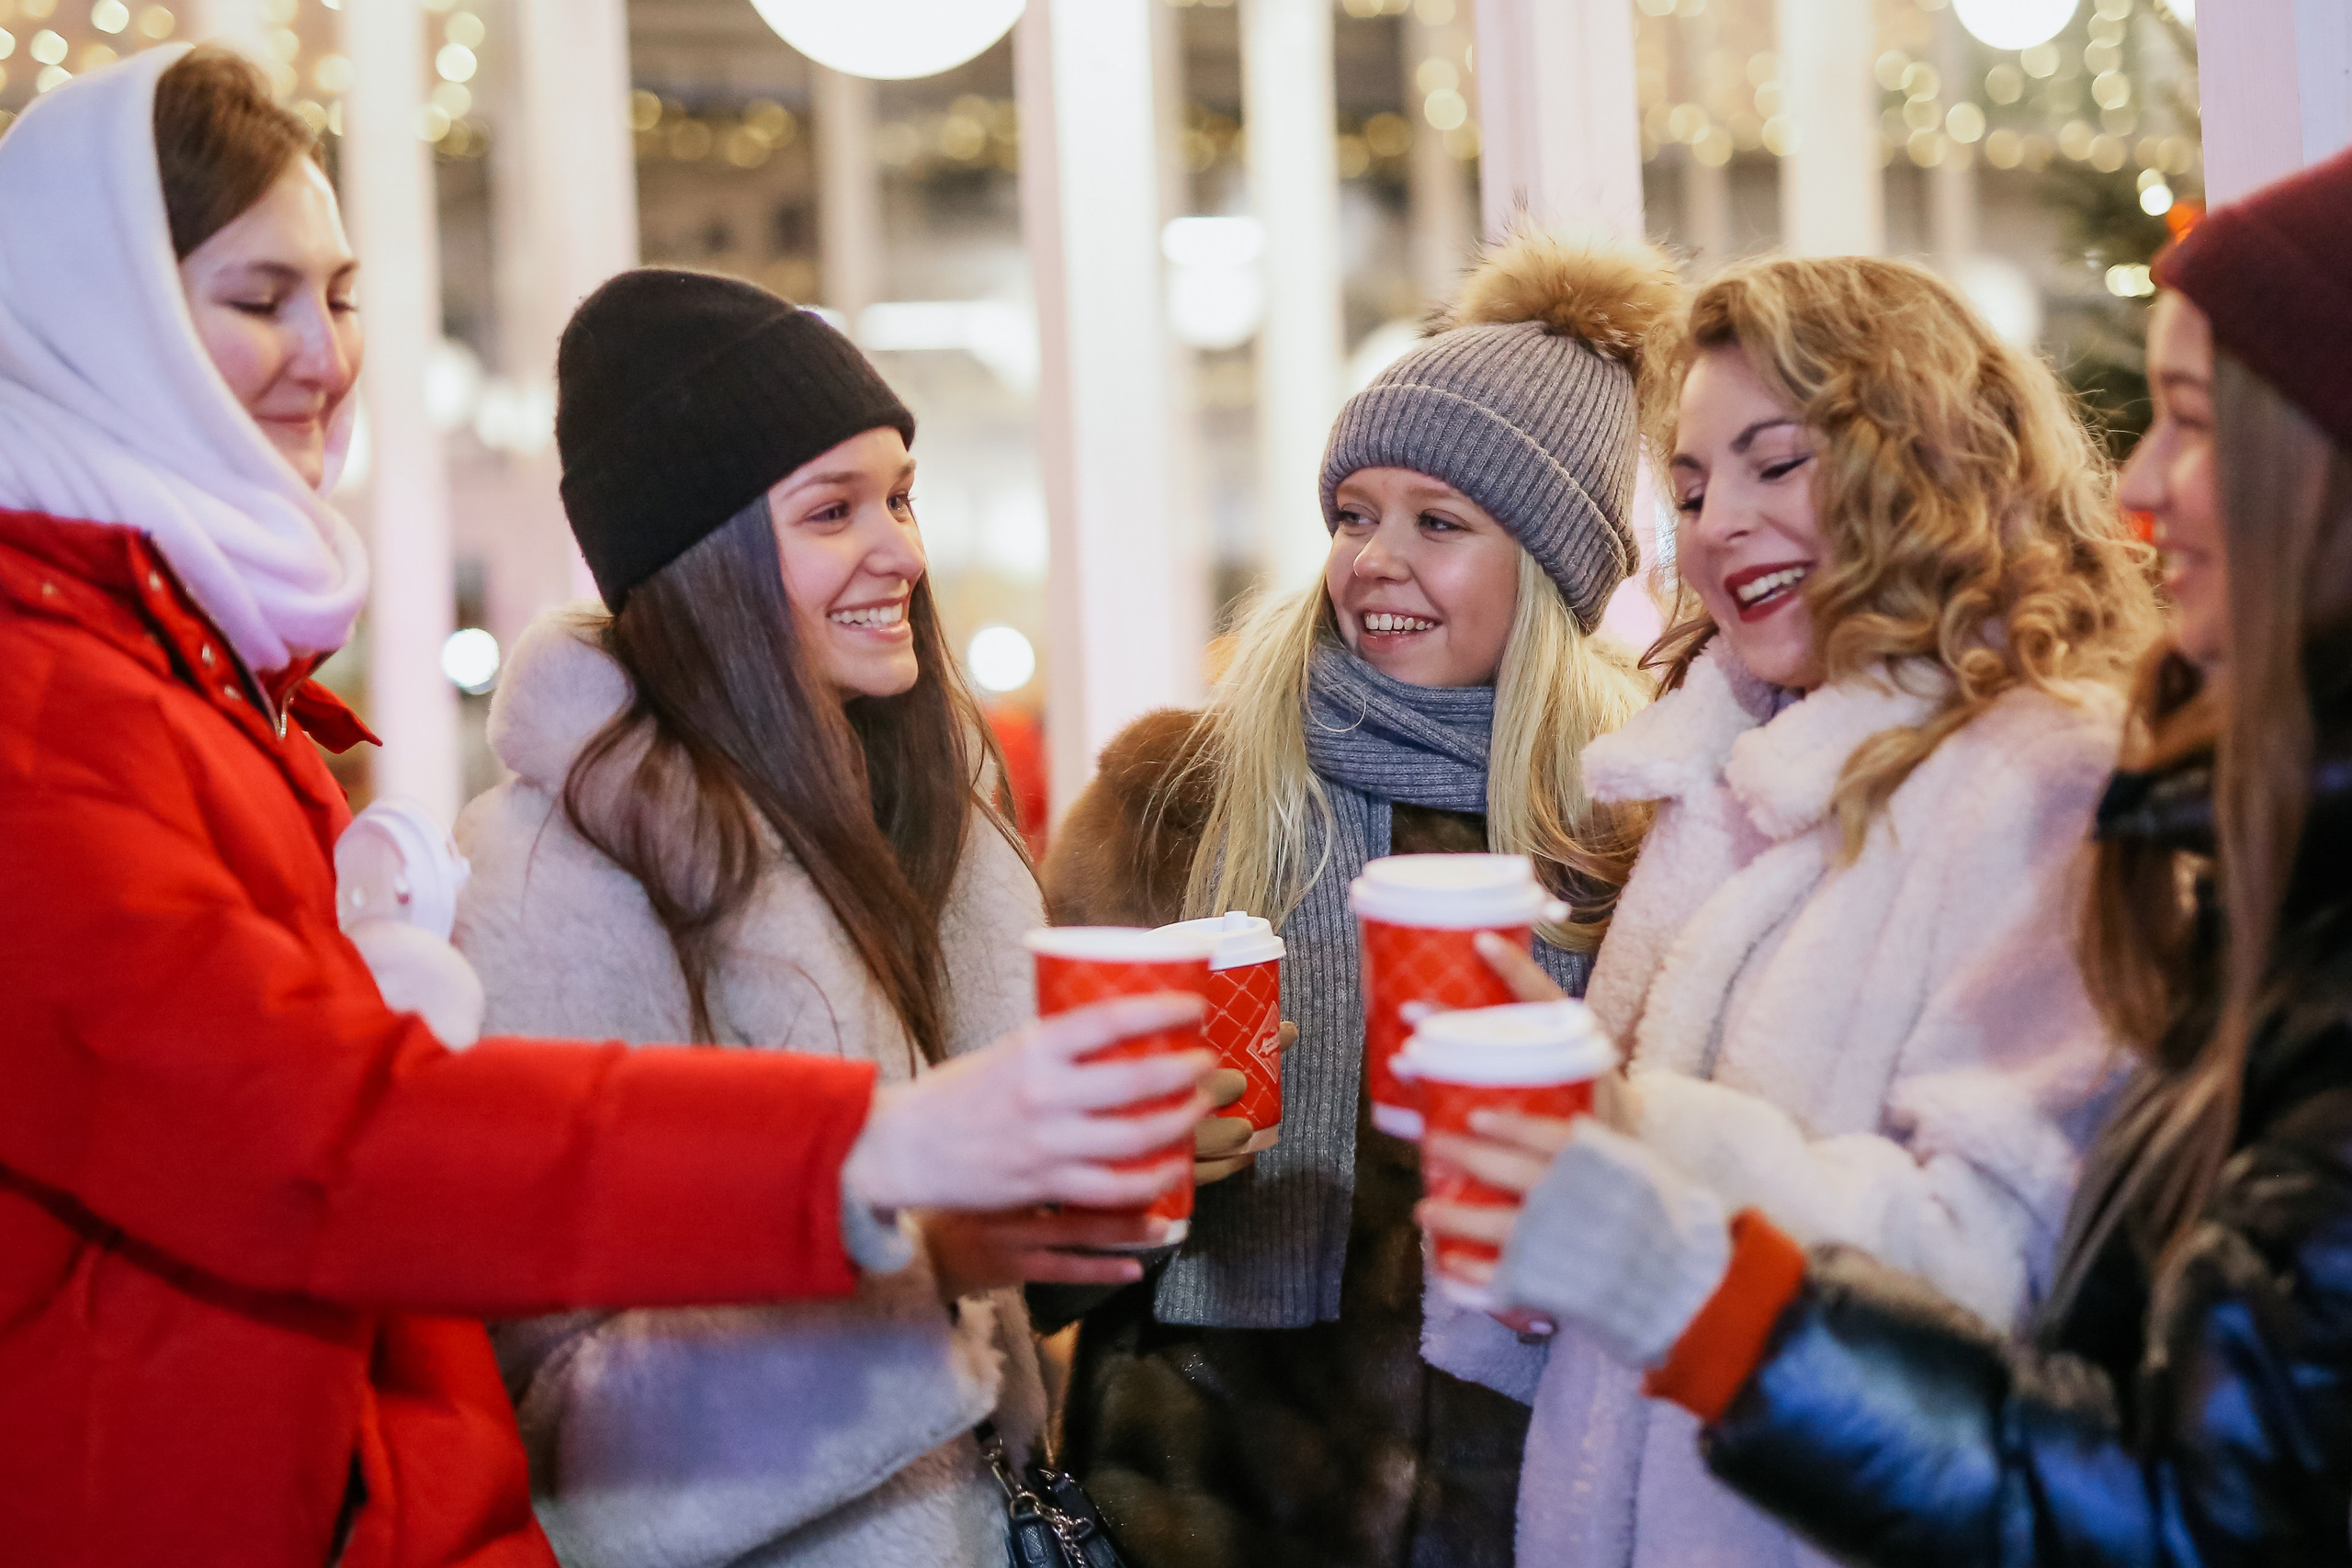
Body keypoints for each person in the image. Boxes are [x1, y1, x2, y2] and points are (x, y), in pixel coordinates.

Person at [0, 47, 1210, 1568]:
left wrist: (1023, 1239)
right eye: (259, 300)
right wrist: (883, 1169)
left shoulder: (205, 686)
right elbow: (332, 1146)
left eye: (346, 294)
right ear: (99, 331)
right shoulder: (60, 710)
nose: (326, 353)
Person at [1423, 145, 2352, 1568]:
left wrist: (1637, 1160)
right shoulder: (1714, 777)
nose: (1718, 521)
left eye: (1777, 462)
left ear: (1924, 463)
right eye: (1686, 487)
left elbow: (2002, 1276)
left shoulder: (2044, 785)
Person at [453, 268, 1141, 1567]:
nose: (903, 552)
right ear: (699, 560)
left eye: (899, 495)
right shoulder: (555, 874)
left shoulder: (915, 807)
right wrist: (919, 1267)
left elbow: (998, 1289)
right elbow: (560, 1434)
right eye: (833, 511)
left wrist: (1116, 1183)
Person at [1038, 229, 1669, 1568]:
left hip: (1525, 1506)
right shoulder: (1177, 801)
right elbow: (1010, 1239)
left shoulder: (1633, 832)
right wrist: (1110, 1178)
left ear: (1555, 574)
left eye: (1440, 523)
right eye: (1353, 514)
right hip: (1189, 1515)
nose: (1377, 558)